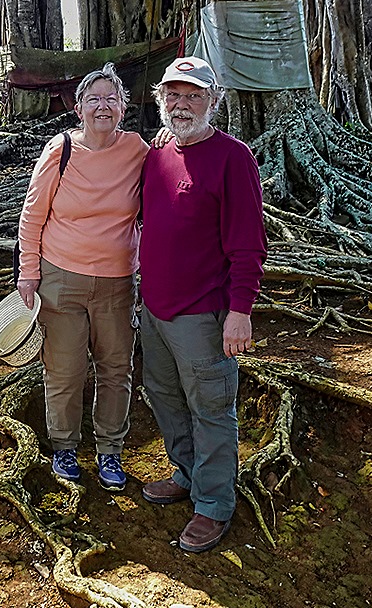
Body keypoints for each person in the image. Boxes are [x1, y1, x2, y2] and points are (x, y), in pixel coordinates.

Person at [138, 56, 267, 552]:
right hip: (154, 309)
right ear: (161, 101)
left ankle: (213, 504)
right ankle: (187, 474)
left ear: (214, 101)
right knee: (165, 397)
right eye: (173, 94)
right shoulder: (157, 154)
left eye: (193, 95)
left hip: (205, 312)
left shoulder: (233, 158)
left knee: (212, 407)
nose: (182, 103)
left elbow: (248, 244)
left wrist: (240, 311)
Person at [16, 63, 149, 492]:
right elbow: (32, 216)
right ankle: (64, 446)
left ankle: (110, 451)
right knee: (65, 369)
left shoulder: (138, 151)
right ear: (79, 108)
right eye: (94, 99)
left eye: (112, 99)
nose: (102, 106)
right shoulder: (61, 150)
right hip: (61, 278)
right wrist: (28, 273)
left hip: (116, 282)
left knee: (116, 369)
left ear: (123, 108)